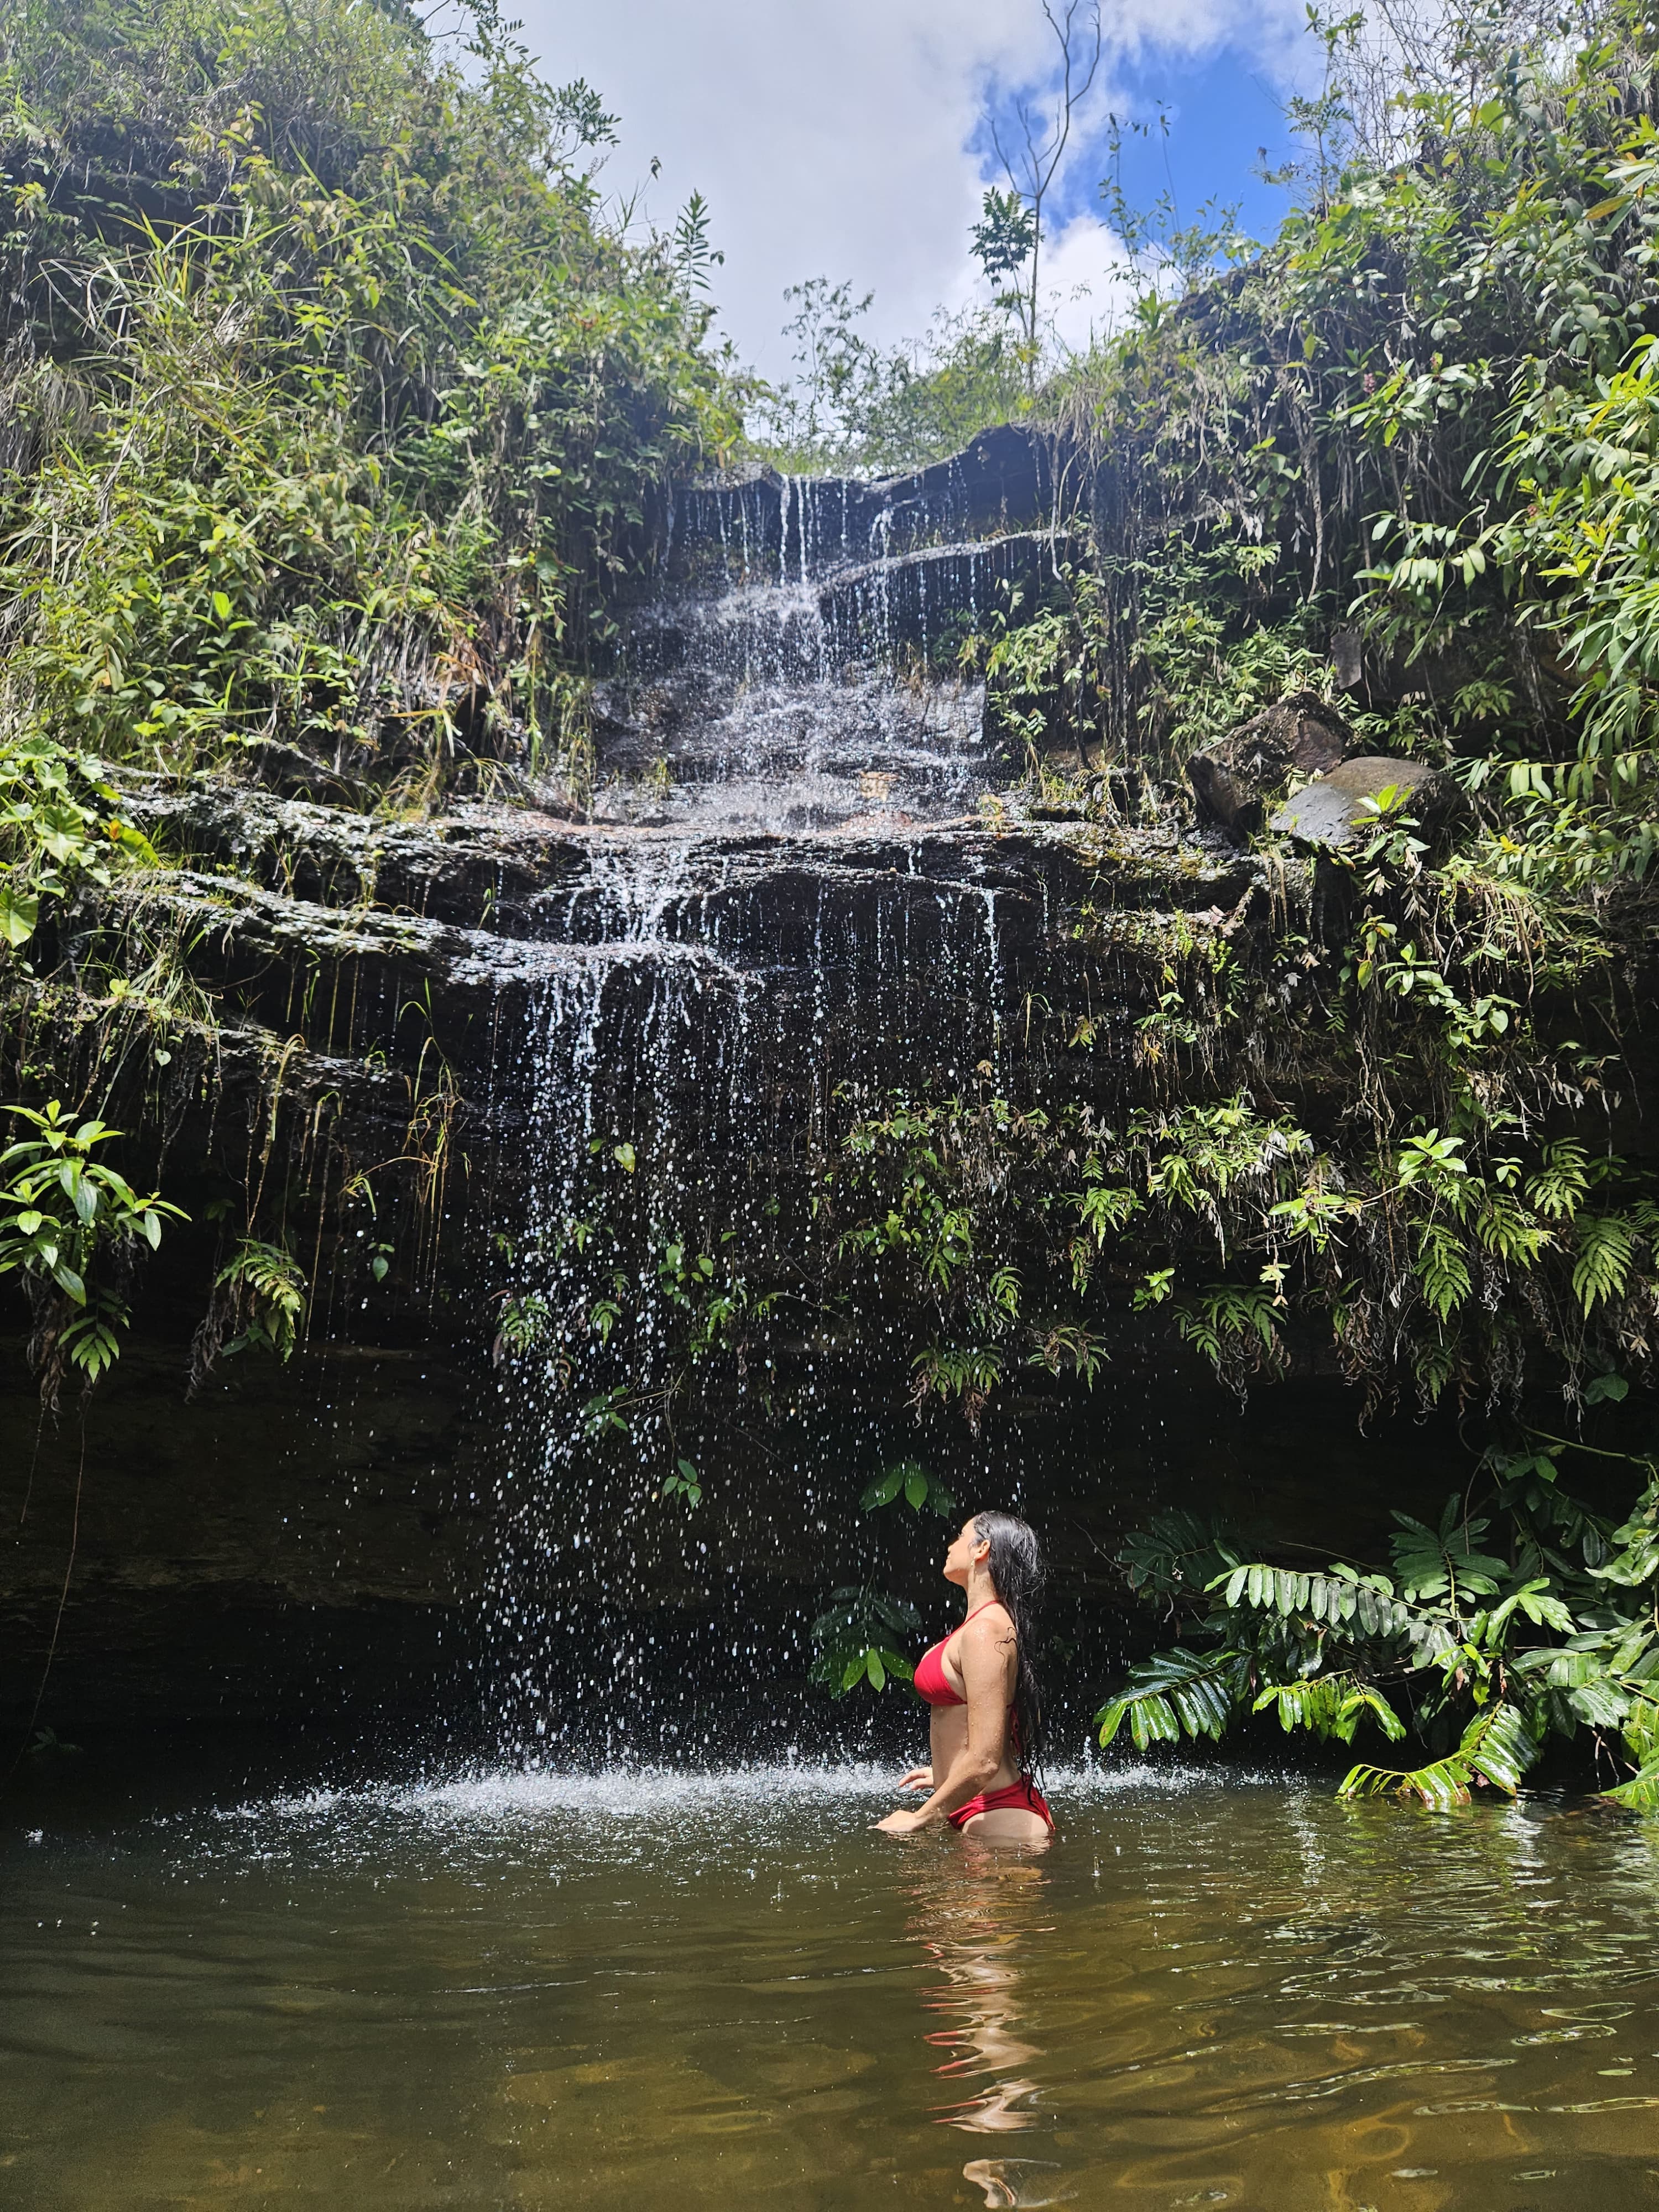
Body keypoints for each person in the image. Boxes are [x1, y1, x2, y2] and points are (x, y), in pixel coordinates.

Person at [874, 1510, 1054, 1846]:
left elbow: (985, 1760)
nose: (950, 1546)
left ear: (982, 1549)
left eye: (960, 1536)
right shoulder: (982, 1626)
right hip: (979, 1807)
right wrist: (947, 1774)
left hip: (1000, 1815)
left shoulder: (986, 1631)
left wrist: (919, 1818)